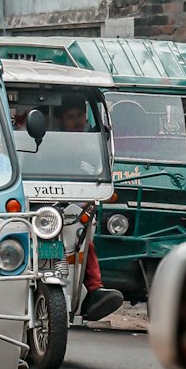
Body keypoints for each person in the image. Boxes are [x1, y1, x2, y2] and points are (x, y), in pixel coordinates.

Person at [57, 93, 124, 323]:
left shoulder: (92, 143)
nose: (76, 121)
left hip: (78, 207)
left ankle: (94, 291)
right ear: (61, 120)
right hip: (47, 206)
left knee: (85, 240)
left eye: (79, 116)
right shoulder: (50, 143)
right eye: (70, 117)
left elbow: (97, 176)